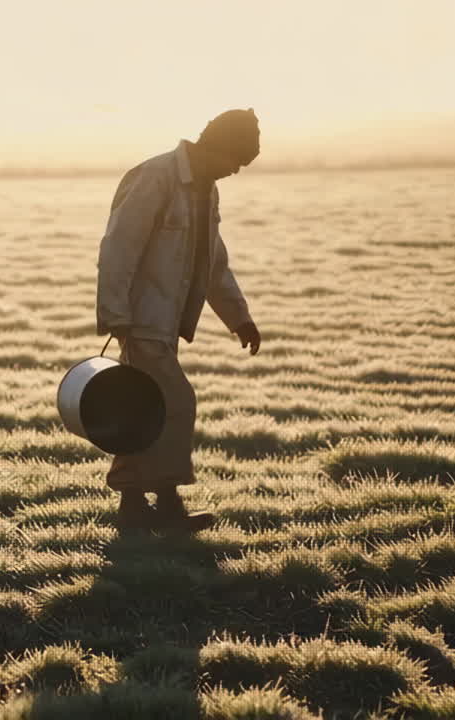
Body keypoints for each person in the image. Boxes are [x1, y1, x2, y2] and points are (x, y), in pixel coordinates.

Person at [95, 108, 263, 535]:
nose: (234, 172)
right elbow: (119, 247)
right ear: (215, 146)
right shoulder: (155, 178)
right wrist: (117, 315)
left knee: (146, 409)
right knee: (173, 405)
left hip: (166, 322)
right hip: (142, 320)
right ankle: (163, 505)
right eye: (235, 161)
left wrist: (239, 318)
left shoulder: (205, 189)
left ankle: (137, 508)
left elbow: (213, 263)